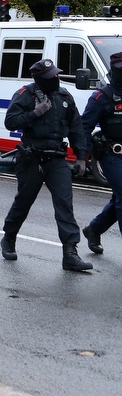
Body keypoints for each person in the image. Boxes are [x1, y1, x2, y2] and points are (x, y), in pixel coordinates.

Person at [0, 58, 92, 272]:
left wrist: (81, 157)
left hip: (57, 159)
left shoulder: (64, 97)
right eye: (51, 76)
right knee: (23, 202)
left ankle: (70, 252)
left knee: (64, 204)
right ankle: (9, 238)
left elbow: (77, 127)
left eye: (57, 74)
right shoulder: (25, 95)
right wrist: (35, 113)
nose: (56, 79)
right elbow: (10, 122)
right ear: (39, 79)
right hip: (32, 158)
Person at [81, 52, 122, 254]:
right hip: (112, 155)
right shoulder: (101, 97)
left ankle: (94, 229)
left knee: (119, 199)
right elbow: (84, 127)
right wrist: (83, 157)